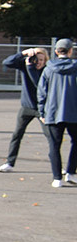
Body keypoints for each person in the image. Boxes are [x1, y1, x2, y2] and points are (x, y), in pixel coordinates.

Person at [0, 46, 48, 172]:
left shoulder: (47, 71)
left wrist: (30, 67)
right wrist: (23, 53)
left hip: (42, 109)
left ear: (46, 61)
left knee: (52, 136)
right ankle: (10, 163)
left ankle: (58, 166)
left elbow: (38, 85)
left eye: (42, 60)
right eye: (37, 59)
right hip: (26, 107)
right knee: (17, 135)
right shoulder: (27, 65)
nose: (39, 62)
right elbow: (7, 62)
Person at [35, 37, 77, 188]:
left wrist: (42, 112)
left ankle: (57, 177)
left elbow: (41, 93)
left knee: (54, 145)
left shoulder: (48, 69)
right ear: (71, 51)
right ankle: (71, 172)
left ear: (56, 51)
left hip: (53, 112)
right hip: (73, 112)